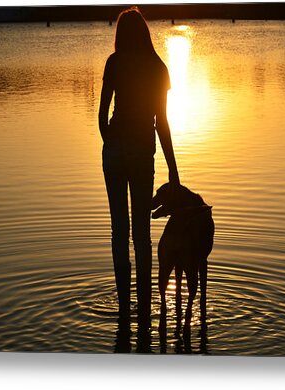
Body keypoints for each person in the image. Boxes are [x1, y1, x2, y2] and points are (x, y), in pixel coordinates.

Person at [98, 7, 179, 327]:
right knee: (141, 235)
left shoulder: (114, 63)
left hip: (115, 152)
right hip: (142, 152)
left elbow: (102, 114)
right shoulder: (157, 67)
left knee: (119, 231)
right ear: (145, 32)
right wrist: (172, 167)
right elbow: (162, 123)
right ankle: (143, 308)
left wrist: (109, 143)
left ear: (120, 34)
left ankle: (124, 305)